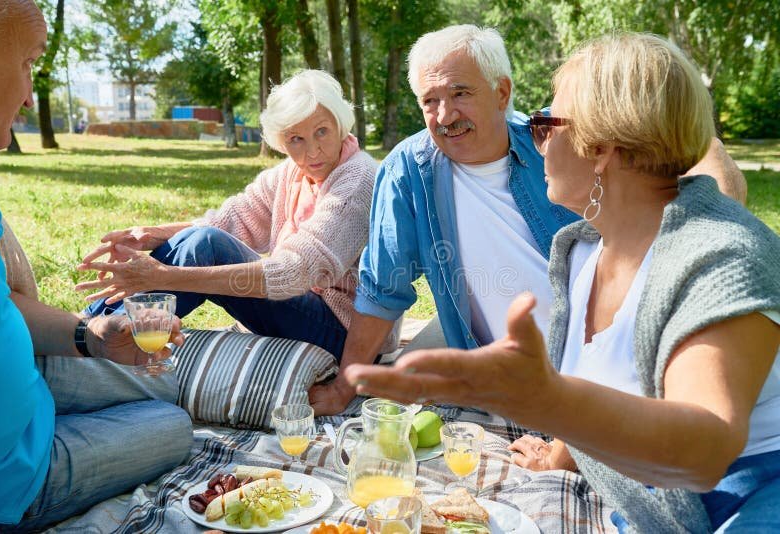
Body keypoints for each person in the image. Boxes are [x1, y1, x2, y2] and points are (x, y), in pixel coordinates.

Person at [344, 32, 780, 533]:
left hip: (751, 494)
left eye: (546, 124)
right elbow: (600, 379)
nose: (533, 137)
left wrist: (547, 402)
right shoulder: (578, 254)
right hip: (648, 508)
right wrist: (560, 455)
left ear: (601, 147)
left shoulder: (721, 255)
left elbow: (705, 454)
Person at [309, 24, 747, 415]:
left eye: (460, 93)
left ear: (502, 92)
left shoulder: (557, 141)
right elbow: (383, 290)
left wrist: (714, 236)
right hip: (499, 368)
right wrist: (346, 387)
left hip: (596, 357)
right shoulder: (408, 171)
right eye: (430, 101)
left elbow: (697, 147)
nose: (444, 116)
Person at [0, 1, 193, 532]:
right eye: (27, 62)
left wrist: (92, 335)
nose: (30, 93)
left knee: (168, 384)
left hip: (33, 386)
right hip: (16, 477)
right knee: (174, 424)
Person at [77, 69, 397, 360]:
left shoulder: (359, 179)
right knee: (202, 240)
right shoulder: (291, 173)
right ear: (281, 142)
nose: (312, 151)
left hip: (347, 335)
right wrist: (152, 234)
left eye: (322, 132)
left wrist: (161, 276)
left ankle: (97, 337)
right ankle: (88, 327)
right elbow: (227, 223)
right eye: (296, 139)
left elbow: (295, 272)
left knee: (208, 245)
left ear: (341, 124)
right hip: (305, 310)